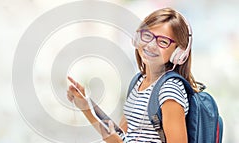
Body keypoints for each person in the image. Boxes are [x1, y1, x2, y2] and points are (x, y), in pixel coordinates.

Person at [67, 7, 199, 143]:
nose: (151, 45)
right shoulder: (138, 82)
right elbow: (123, 136)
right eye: (147, 36)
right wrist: (85, 106)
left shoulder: (169, 90)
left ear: (179, 53)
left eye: (163, 42)